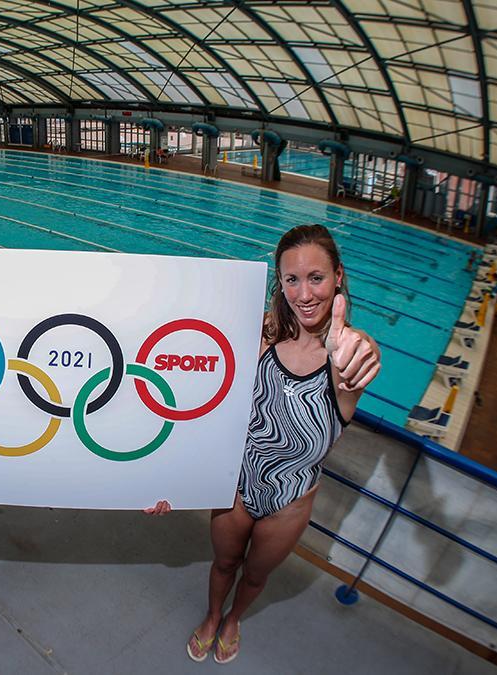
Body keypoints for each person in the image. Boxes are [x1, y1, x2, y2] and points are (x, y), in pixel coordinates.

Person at [145, 224, 381, 664]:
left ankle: (234, 619)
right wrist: (166, 480)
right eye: (292, 279)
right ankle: (214, 616)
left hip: (290, 502)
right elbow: (203, 401)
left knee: (254, 577)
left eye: (317, 278)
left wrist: (356, 351)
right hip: (236, 487)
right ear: (280, 282)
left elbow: (361, 358)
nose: (305, 293)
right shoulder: (265, 335)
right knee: (223, 564)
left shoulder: (344, 356)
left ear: (339, 277)